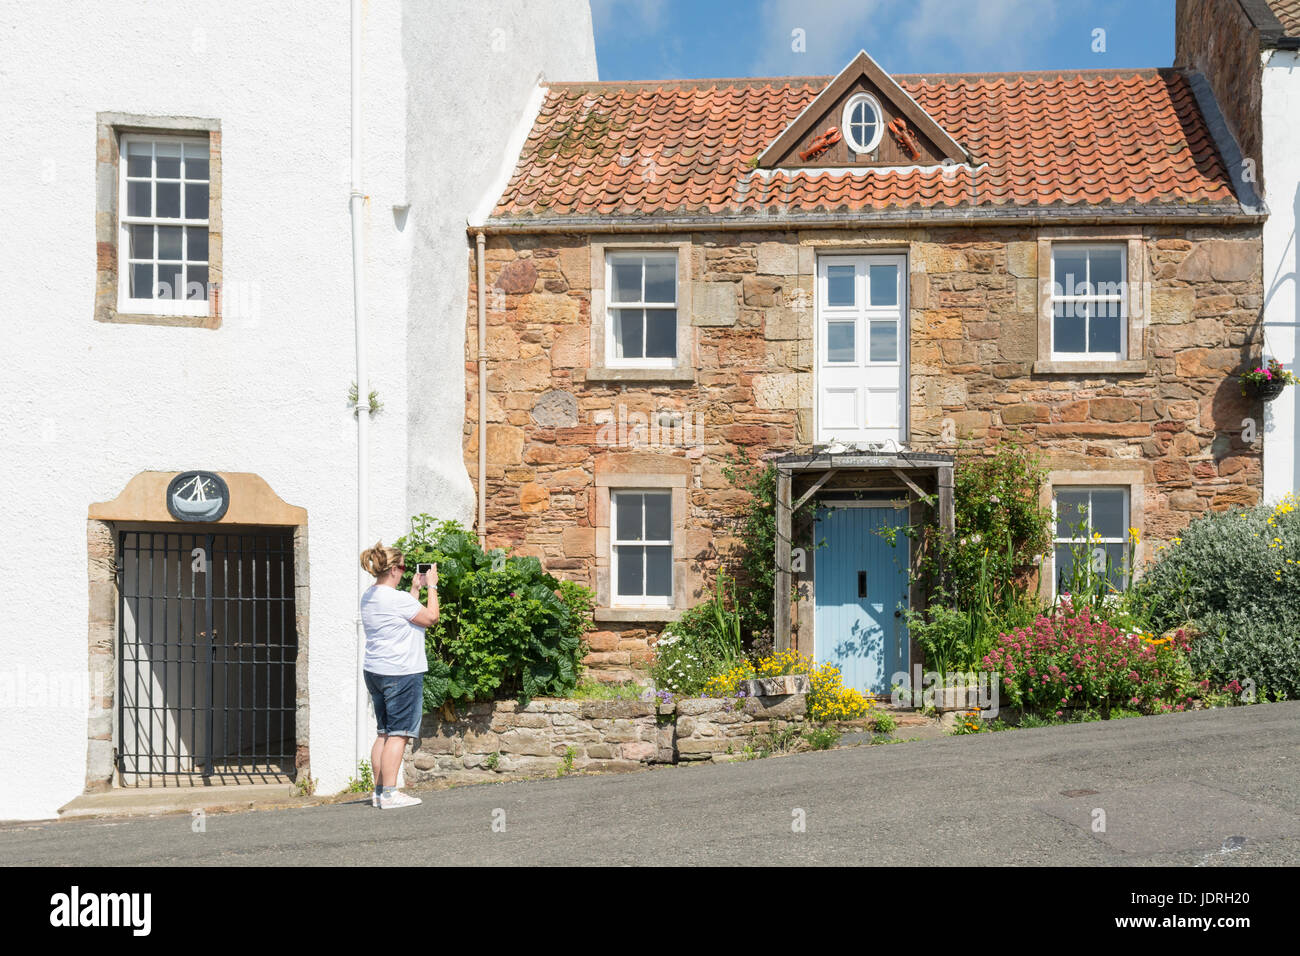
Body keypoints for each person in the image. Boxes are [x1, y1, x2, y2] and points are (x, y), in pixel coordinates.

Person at [358, 541, 439, 809]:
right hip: (402, 672)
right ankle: (391, 793)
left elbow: (402, 617)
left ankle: (379, 791)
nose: (404, 572)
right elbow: (430, 618)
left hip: (376, 671)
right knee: (399, 733)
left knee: (383, 732)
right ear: (393, 569)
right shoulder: (398, 599)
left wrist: (414, 590)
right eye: (402, 568)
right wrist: (432, 587)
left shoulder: (369, 596)